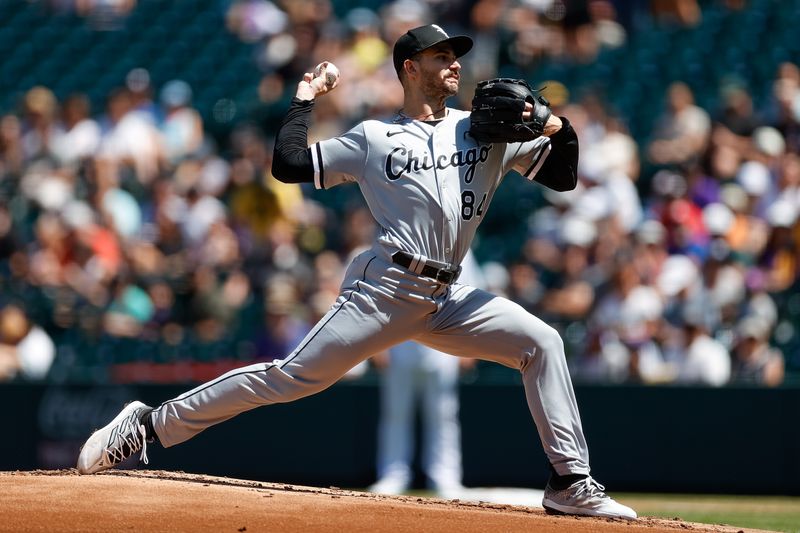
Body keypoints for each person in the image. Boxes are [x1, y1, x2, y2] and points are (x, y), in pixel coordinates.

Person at [77, 24, 636, 520]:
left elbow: (562, 177)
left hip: (448, 295)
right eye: (442, 56)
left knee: (542, 341)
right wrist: (301, 102)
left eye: (456, 55)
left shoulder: (482, 131)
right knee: (289, 379)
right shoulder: (374, 138)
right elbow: (289, 164)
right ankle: (148, 425)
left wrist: (555, 124)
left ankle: (569, 482)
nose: (455, 64)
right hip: (385, 290)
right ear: (410, 69)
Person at [369, 250, 484, 499]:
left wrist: (469, 344)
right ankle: (393, 474)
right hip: (399, 342)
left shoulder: (459, 245)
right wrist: (377, 343)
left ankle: (445, 477)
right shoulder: (398, 238)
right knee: (395, 412)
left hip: (444, 345)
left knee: (443, 415)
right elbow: (379, 291)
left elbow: (471, 294)